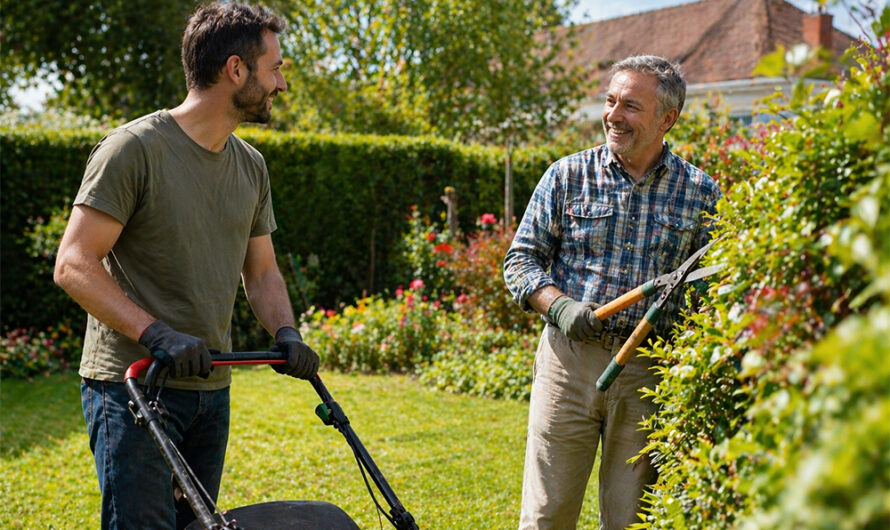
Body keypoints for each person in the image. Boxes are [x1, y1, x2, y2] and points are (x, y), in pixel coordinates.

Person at [53, 3, 319, 528]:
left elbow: (261, 272)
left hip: (209, 387)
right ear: (236, 69)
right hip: (133, 385)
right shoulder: (134, 150)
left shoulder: (250, 165)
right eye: (276, 69)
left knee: (198, 526)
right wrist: (156, 333)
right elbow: (74, 263)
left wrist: (285, 331)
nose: (282, 85)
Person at [503, 55, 722, 529]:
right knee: (547, 515)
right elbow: (520, 260)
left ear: (668, 118)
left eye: (630, 106)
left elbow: (712, 291)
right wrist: (558, 306)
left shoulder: (700, 193)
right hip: (569, 364)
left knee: (631, 519)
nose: (614, 115)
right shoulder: (566, 175)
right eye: (610, 101)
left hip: (647, 370)